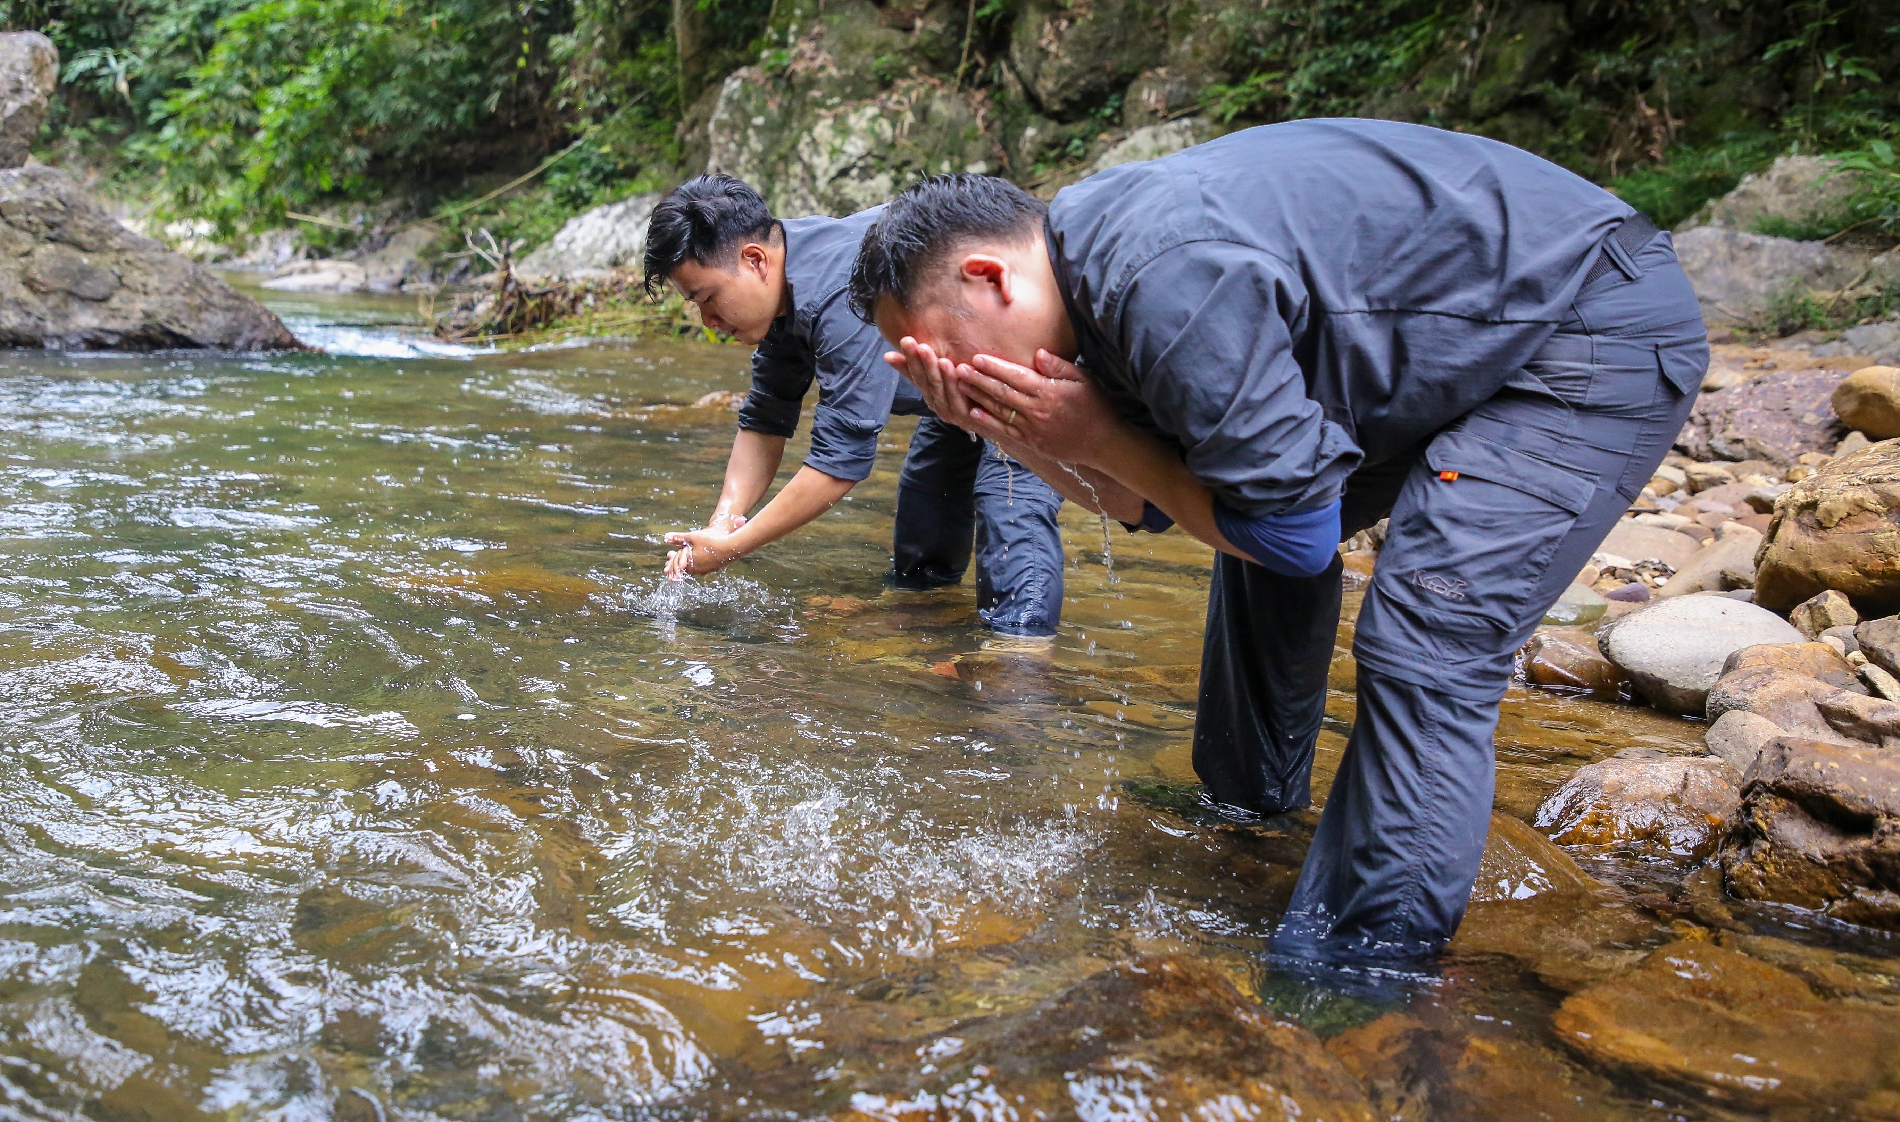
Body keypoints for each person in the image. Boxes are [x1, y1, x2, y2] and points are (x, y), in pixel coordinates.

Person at [844, 120, 1708, 973]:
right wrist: (1010, 427)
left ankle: (1364, 966)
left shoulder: (1157, 277)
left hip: (1587, 324)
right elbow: (1148, 502)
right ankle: (1247, 812)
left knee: (1425, 635)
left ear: (988, 275)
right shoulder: (1081, 288)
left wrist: (1096, 435)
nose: (943, 378)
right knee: (1241, 507)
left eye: (942, 356)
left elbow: (1297, 538)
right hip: (1454, 340)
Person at [643, 173, 1065, 636]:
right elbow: (765, 420)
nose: (708, 320)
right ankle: (926, 624)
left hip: (1026, 357)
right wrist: (723, 522)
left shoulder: (838, 293)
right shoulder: (782, 289)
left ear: (754, 259)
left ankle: (1021, 657)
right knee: (927, 502)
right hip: (952, 383)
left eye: (708, 298)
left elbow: (838, 463)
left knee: (1008, 501)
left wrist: (733, 546)